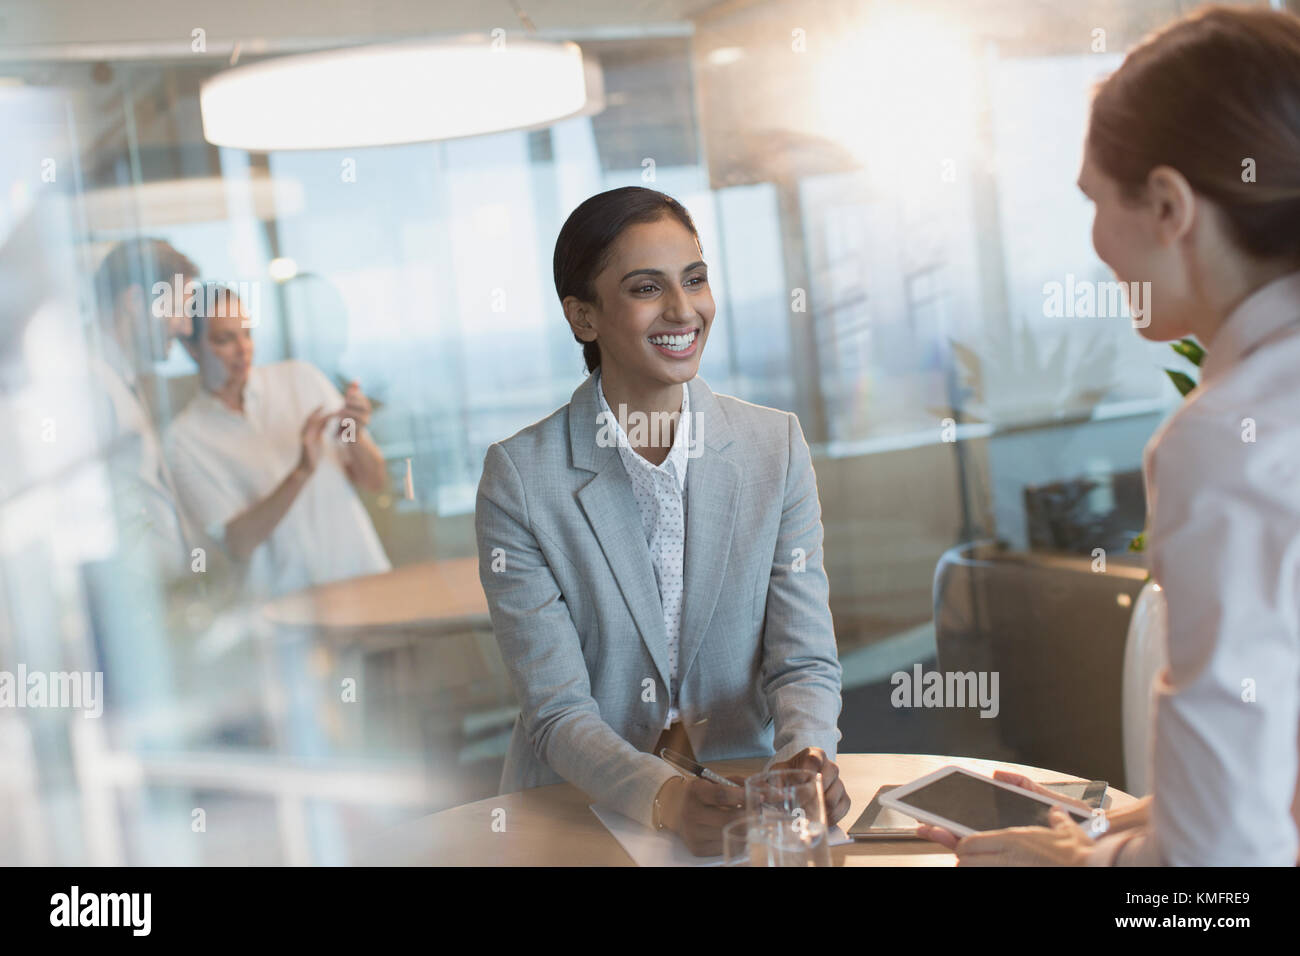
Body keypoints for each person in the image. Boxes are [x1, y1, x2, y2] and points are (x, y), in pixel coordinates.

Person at [919, 5, 1300, 865]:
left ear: (1168, 205)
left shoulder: (1222, 444)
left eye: (1094, 202)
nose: (1096, 248)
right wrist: (1113, 824)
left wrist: (1073, 866)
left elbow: (1217, 883)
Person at [475, 186, 847, 855]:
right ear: (583, 317)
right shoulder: (522, 480)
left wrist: (807, 754)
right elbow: (557, 712)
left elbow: (803, 660)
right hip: (575, 808)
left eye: (695, 279)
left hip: (742, 789)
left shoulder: (775, 447)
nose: (683, 310)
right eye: (647, 288)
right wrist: (665, 795)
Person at [165, 282, 391, 598]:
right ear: (192, 349)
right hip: (288, 616)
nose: (243, 349)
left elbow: (374, 479)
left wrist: (354, 434)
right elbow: (235, 544)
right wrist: (300, 473)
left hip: (364, 582)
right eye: (225, 339)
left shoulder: (302, 379)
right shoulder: (184, 440)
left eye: (247, 334)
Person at [89, 238, 201, 574]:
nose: (186, 326)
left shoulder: (118, 377)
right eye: (179, 309)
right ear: (136, 301)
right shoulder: (90, 385)